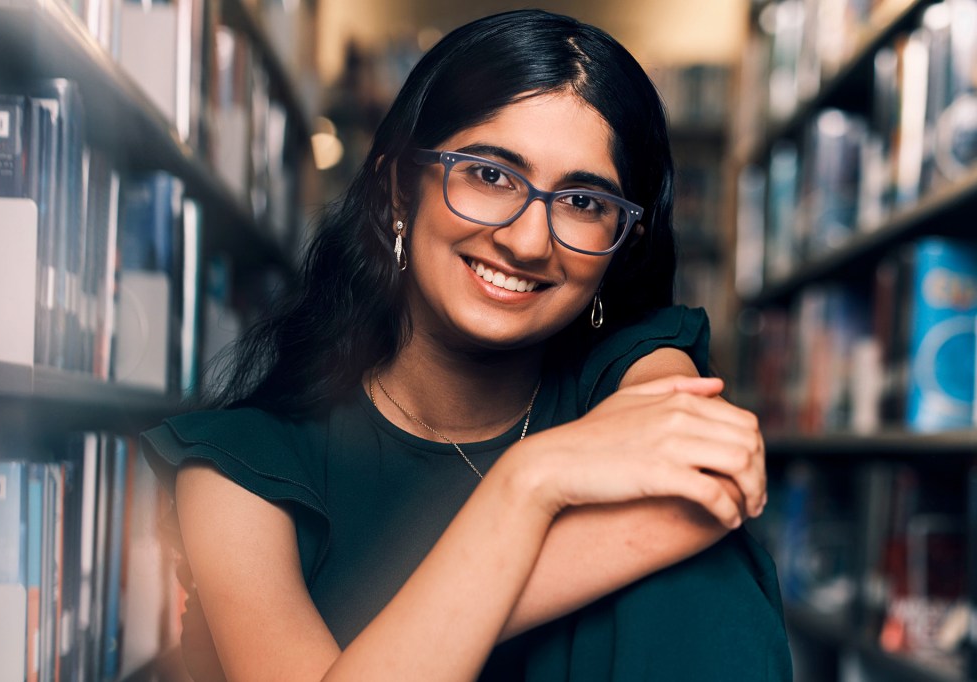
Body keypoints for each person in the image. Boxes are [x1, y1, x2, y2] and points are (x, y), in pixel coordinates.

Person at [141, 9, 792, 681]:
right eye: (489, 174)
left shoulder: (633, 368)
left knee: (702, 570)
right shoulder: (242, 469)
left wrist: (397, 645)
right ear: (399, 186)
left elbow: (709, 486)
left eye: (583, 202)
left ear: (620, 247)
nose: (528, 240)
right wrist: (527, 484)